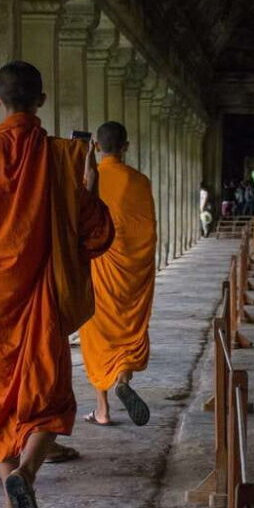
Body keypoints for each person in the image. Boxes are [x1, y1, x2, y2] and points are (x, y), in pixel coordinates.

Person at [0, 61, 114, 508]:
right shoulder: (64, 156)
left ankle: (11, 506)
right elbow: (95, 235)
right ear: (41, 100)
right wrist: (90, 190)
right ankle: (28, 477)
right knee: (50, 403)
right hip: (43, 302)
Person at [79, 121, 157, 427]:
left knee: (98, 336)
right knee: (127, 330)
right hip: (131, 271)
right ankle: (122, 379)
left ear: (97, 146)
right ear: (126, 146)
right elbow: (147, 232)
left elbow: (82, 222)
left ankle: (102, 409)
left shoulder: (88, 178)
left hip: (99, 268)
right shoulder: (140, 181)